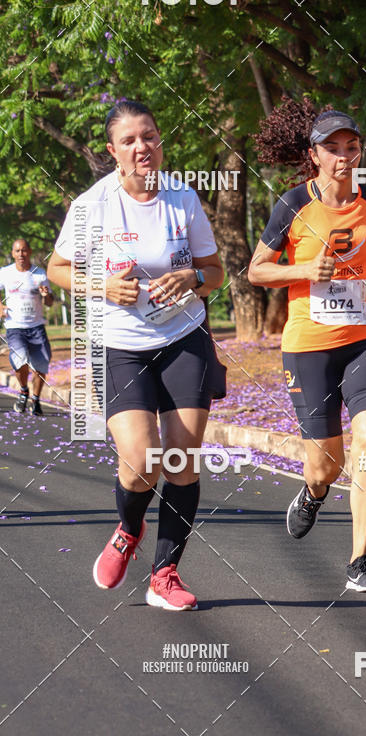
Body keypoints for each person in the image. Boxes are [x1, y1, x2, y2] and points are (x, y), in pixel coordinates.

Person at [48, 99, 225, 611]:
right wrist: (100, 286)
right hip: (120, 345)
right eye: (129, 141)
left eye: (148, 136)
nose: (141, 147)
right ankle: (129, 528)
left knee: (181, 460)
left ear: (159, 141)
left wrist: (192, 277)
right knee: (141, 461)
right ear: (113, 152)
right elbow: (58, 268)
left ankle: (165, 574)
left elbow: (214, 272)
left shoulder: (183, 198)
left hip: (183, 338)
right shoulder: (92, 206)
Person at [249, 101, 366, 593]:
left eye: (351, 148)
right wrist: (301, 270)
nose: (343, 156)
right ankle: (314, 492)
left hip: (365, 340)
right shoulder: (293, 204)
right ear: (314, 155)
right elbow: (256, 270)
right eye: (332, 148)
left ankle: (360, 560)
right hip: (309, 347)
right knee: (327, 466)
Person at [0, 238, 54, 416]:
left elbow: (49, 302)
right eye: (17, 251)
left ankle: (36, 401)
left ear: (29, 252)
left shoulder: (39, 274)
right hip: (15, 327)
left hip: (37, 326)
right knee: (19, 361)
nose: (21, 254)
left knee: (41, 365)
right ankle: (24, 390)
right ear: (13, 254)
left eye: (24, 250)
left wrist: (45, 295)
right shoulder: (5, 273)